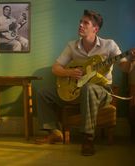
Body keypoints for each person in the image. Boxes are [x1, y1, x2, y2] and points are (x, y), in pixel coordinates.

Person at [35, 10, 135, 156]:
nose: (80, 25)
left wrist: (131, 59)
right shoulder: (72, 46)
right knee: (43, 93)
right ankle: (54, 132)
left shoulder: (109, 45)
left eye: (85, 23)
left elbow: (124, 68)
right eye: (80, 22)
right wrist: (69, 72)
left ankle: (88, 139)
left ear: (95, 29)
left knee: (89, 88)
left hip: (103, 91)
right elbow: (56, 68)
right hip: (76, 90)